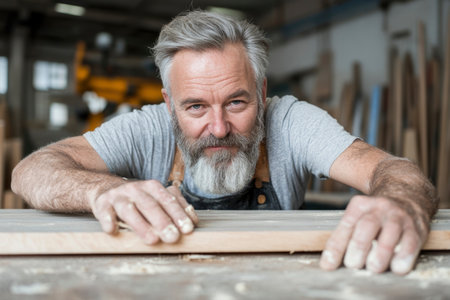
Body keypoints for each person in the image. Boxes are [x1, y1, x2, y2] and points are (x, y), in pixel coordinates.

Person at [12, 10, 438, 275]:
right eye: (195, 107)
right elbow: (29, 171)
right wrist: (103, 190)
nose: (218, 128)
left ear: (261, 90)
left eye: (236, 102)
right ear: (168, 105)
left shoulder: (289, 120)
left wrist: (400, 202)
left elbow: (392, 169)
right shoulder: (147, 128)